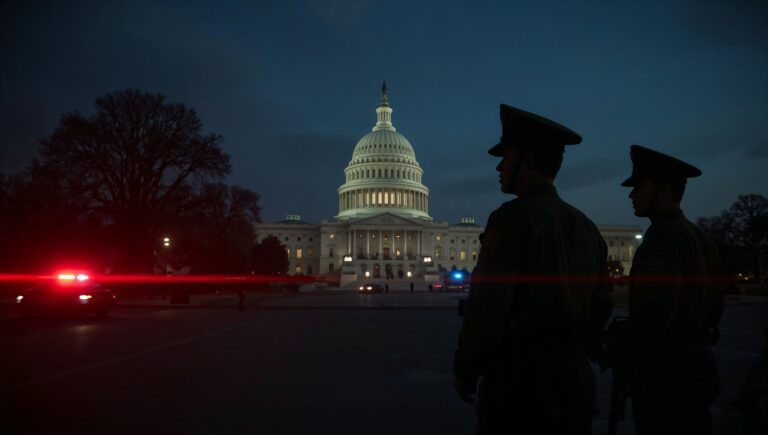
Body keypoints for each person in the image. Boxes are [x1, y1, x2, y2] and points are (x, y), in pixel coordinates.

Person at [454, 104, 612, 434]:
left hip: (521, 387)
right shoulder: (587, 226)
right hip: (574, 384)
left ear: (526, 161)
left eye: (506, 157)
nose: (499, 166)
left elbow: (488, 305)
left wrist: (469, 365)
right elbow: (601, 305)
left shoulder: (510, 220)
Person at [620, 145, 724, 435]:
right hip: (698, 369)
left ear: (664, 190)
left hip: (666, 377)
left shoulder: (663, 239)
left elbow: (654, 314)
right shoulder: (699, 237)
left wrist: (628, 349)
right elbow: (716, 306)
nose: (632, 194)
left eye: (640, 186)